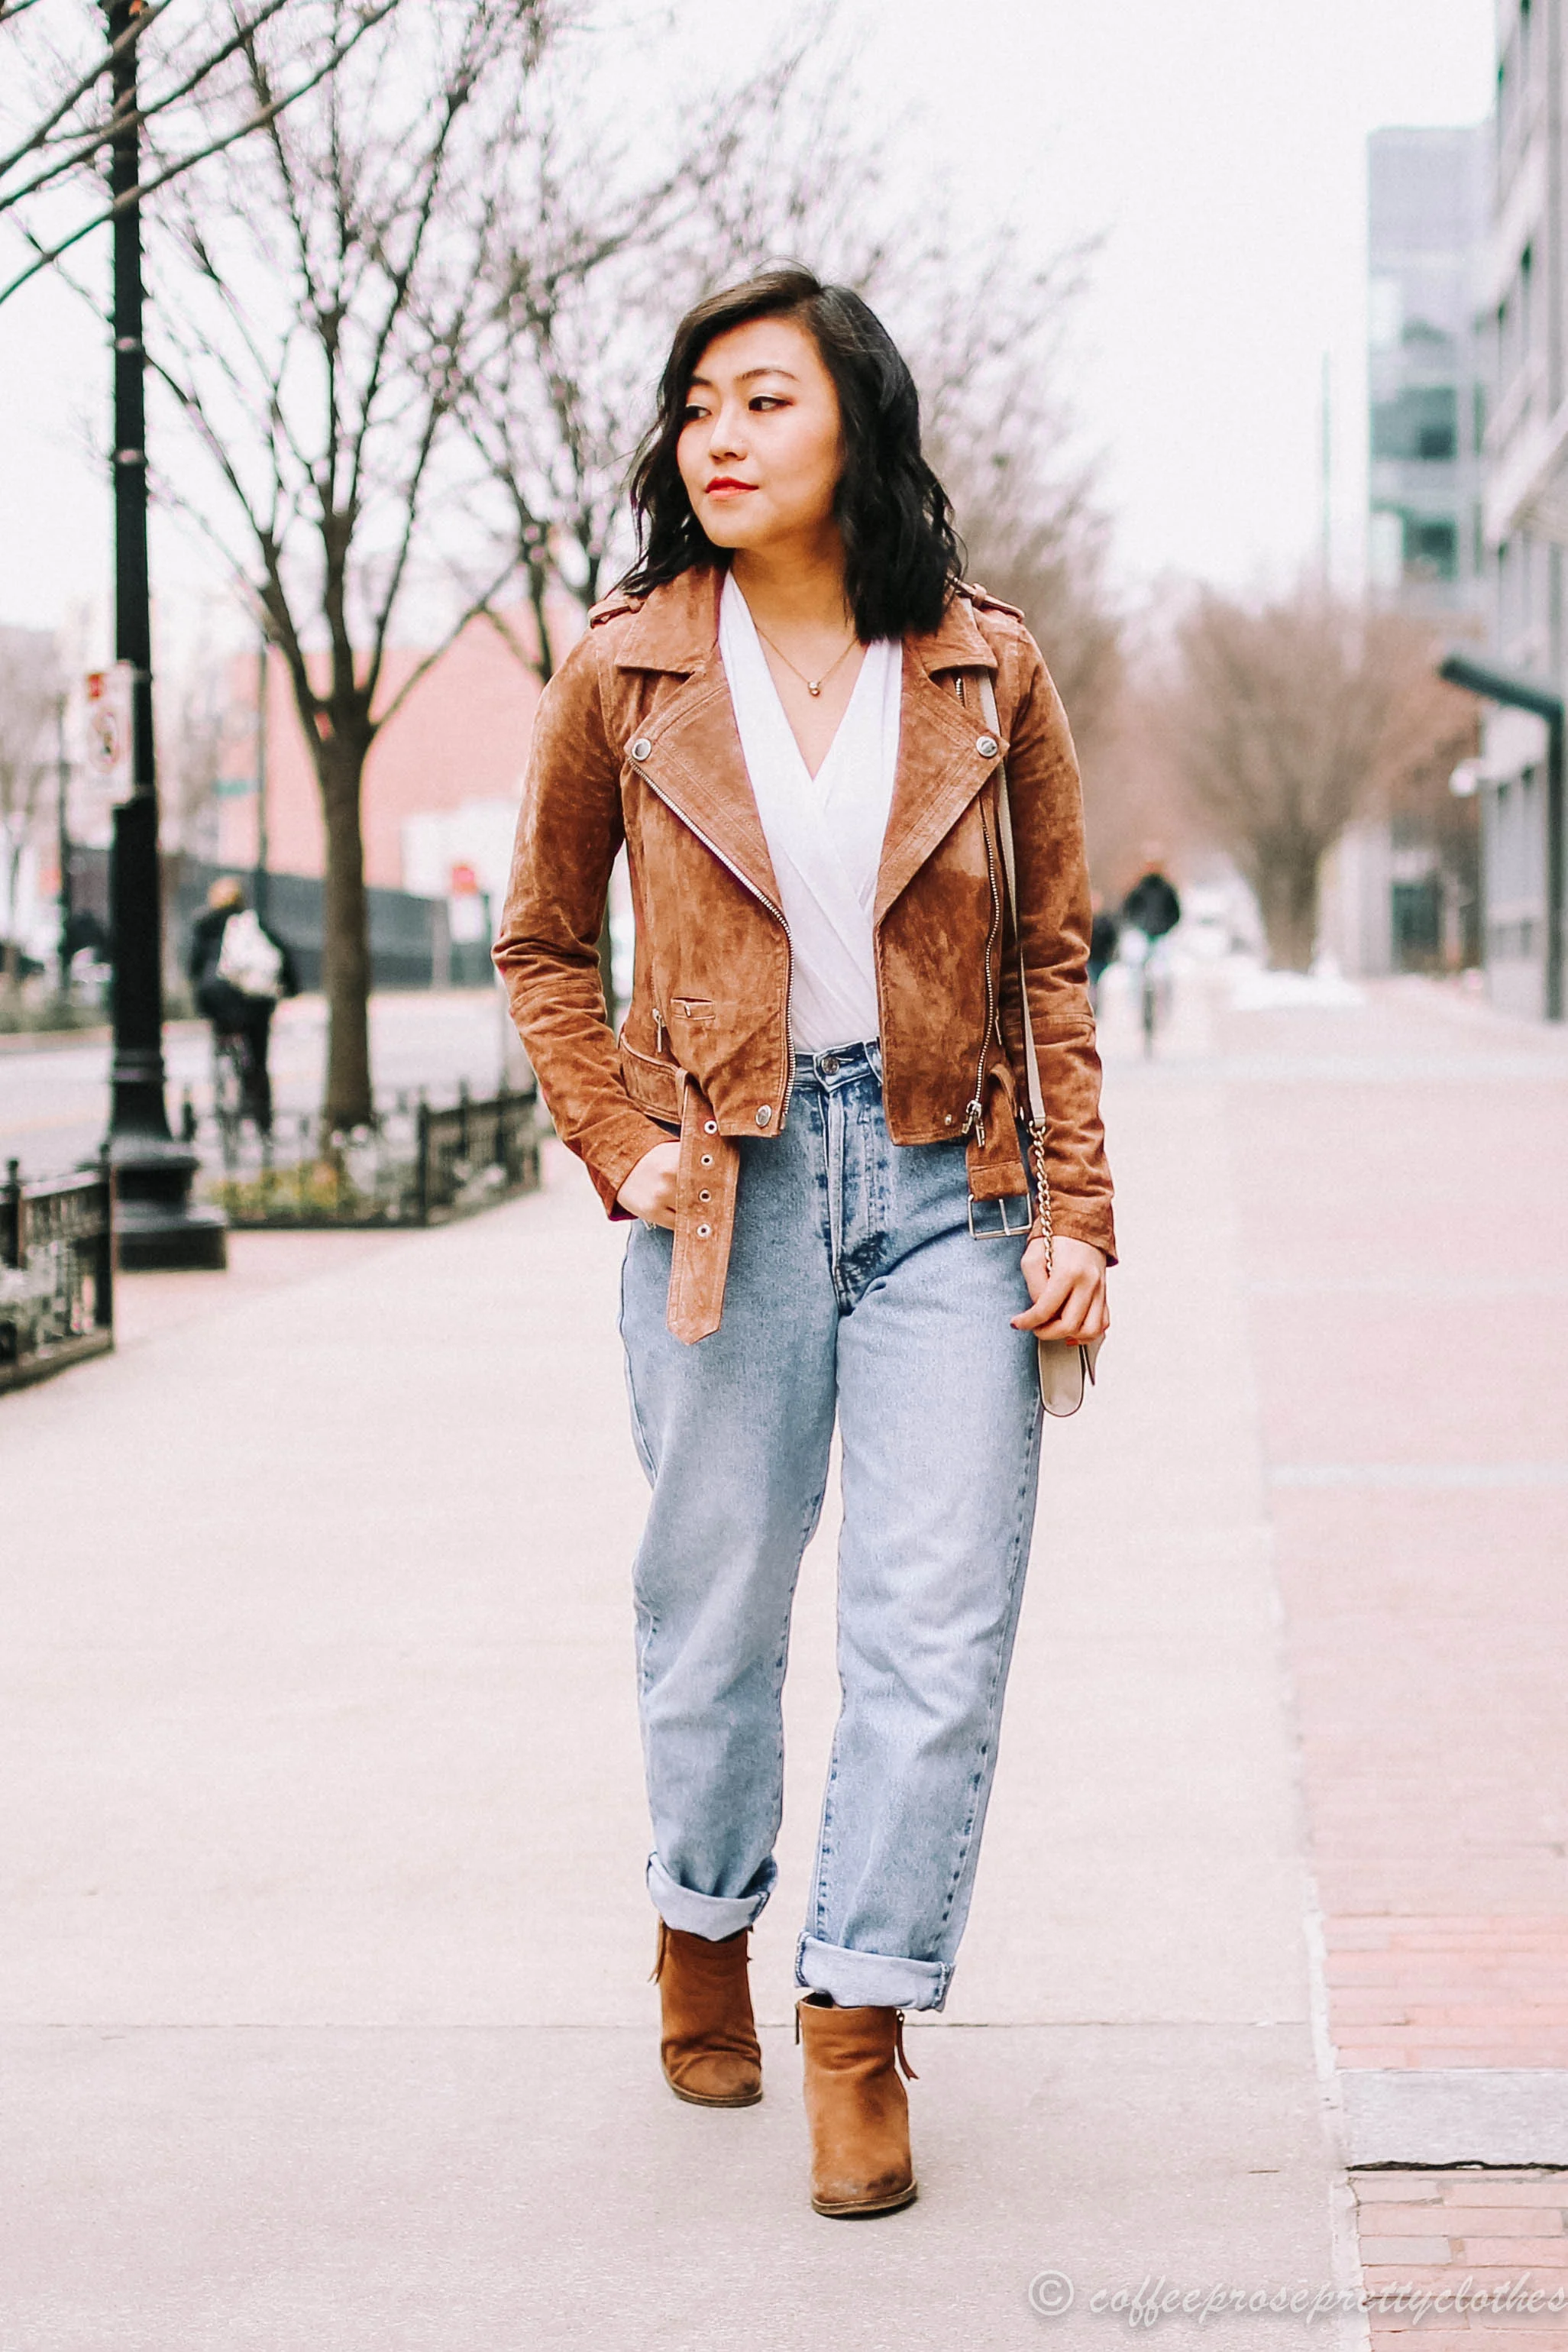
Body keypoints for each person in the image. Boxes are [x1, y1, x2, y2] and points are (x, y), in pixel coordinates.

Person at [494, 267, 1114, 2220]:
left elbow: (1049, 954)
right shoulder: (623, 667)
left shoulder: (982, 663)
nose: (722, 434)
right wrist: (616, 1135)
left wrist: (1083, 1206)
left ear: (856, 418)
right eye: (696, 406)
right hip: (726, 1191)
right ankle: (701, 1923)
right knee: (714, 1620)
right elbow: (539, 938)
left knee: (932, 1634)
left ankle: (858, 2015)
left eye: (764, 397)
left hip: (952, 1179)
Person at [187, 877, 297, 1134]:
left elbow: (194, 969)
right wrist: (291, 989)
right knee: (258, 1058)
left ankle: (223, 1091)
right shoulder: (253, 924)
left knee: (224, 1037)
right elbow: (281, 956)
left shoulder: (205, 926)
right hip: (254, 1003)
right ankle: (262, 1119)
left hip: (218, 1003)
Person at [1120, 846, 1182, 944]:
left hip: (1162, 937)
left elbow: (1175, 912)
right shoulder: (1138, 888)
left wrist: (1166, 928)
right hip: (1141, 936)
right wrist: (1138, 926)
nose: (1152, 868)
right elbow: (1127, 909)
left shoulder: (1167, 889)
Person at [1088, 892, 1120, 1009]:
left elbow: (1112, 938)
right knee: (1093, 984)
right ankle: (1094, 1006)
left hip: (1103, 958)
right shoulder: (1086, 921)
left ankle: (1099, 1005)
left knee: (1100, 984)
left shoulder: (1106, 922)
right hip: (1090, 959)